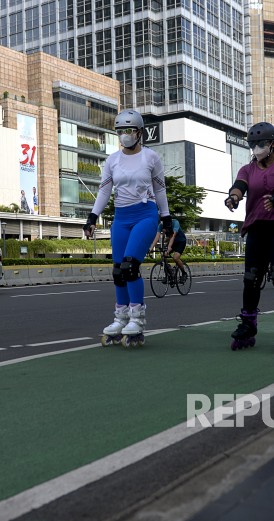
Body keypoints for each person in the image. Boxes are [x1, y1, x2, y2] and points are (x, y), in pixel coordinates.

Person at [83, 110, 171, 348]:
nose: (124, 135)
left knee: (131, 266)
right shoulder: (112, 160)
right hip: (121, 217)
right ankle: (120, 318)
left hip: (145, 214)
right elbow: (104, 191)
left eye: (129, 131)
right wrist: (92, 217)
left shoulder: (151, 157)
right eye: (120, 131)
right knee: (118, 271)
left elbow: (160, 190)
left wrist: (167, 217)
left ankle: (137, 318)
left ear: (139, 133)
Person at [224, 122, 274, 353]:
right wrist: (234, 198)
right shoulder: (248, 168)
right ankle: (248, 323)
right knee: (252, 277)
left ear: (272, 144)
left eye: (260, 143)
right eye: (252, 144)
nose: (256, 147)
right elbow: (239, 185)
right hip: (257, 227)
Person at [149, 215, 188, 283]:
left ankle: (184, 273)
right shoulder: (161, 225)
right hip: (171, 241)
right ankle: (168, 273)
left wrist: (169, 247)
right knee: (163, 254)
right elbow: (157, 237)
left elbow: (173, 236)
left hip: (180, 241)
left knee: (175, 258)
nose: (163, 222)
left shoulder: (175, 222)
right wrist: (151, 248)